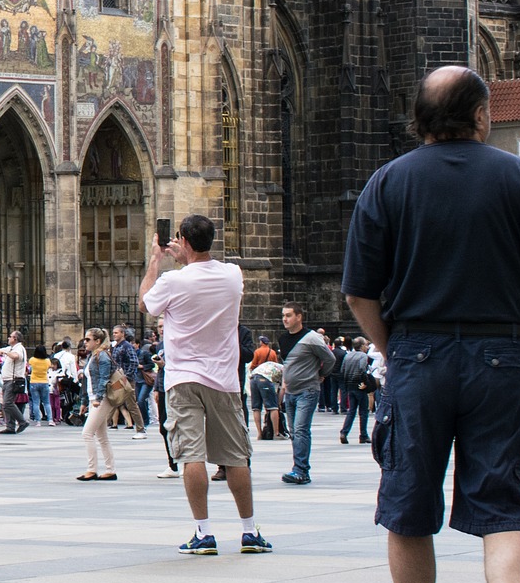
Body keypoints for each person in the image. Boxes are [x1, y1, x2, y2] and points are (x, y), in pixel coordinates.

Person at [342, 65, 520, 583]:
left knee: (408, 505)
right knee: (503, 501)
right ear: (482, 117)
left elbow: (359, 293)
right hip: (504, 352)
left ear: (420, 120)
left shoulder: (387, 183)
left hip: (417, 351)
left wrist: (394, 350)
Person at [141, 216, 269, 554]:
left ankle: (203, 532)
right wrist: (186, 256)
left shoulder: (172, 281)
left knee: (192, 456)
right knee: (236, 457)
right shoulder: (232, 275)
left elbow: (145, 303)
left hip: (183, 378)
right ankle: (248, 531)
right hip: (224, 379)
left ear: (181, 240)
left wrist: (156, 258)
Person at [277, 303, 335, 485]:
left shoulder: (312, 338)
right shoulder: (283, 339)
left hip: (307, 390)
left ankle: (301, 471)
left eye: (288, 315)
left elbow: (330, 358)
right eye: (283, 315)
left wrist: (322, 375)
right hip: (291, 391)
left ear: (299, 317)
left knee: (301, 430)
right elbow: (288, 365)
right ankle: (298, 467)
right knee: (294, 431)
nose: (285, 319)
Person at [77, 329, 118, 480]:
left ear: (98, 341)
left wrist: (98, 398)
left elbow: (104, 378)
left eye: (88, 339)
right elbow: (86, 381)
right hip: (93, 398)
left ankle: (91, 469)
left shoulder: (102, 356)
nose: (85, 342)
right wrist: (84, 401)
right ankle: (110, 470)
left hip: (101, 399)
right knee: (102, 436)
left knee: (87, 433)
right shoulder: (92, 357)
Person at [338, 338, 376, 444]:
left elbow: (343, 370)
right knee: (363, 411)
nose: (367, 347)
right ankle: (363, 435)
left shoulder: (348, 355)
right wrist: (364, 383)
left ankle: (344, 432)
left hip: (350, 385)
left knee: (351, 411)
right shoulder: (363, 356)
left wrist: (347, 384)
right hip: (359, 385)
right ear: (362, 346)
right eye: (365, 344)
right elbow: (362, 369)